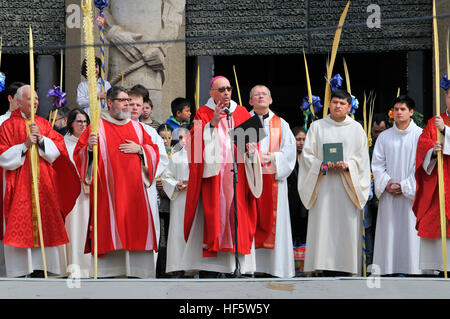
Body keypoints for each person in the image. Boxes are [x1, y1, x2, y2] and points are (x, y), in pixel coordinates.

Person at [73, 86, 160, 278]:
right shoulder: (96, 127)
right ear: (109, 103)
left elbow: (154, 151)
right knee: (109, 228)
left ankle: (139, 274)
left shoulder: (139, 128)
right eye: (122, 100)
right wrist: (88, 149)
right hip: (108, 194)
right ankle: (108, 274)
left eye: (128, 100)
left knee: (136, 229)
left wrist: (141, 150)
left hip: (135, 194)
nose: (127, 104)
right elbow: (78, 155)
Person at [181, 75, 262, 277]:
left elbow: (252, 145)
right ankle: (215, 269)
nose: (226, 93)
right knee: (215, 217)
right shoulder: (203, 113)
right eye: (221, 89)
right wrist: (213, 124)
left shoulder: (241, 111)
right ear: (211, 93)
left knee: (239, 217)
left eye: (228, 89)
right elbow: (194, 147)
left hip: (239, 176)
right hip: (215, 179)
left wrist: (252, 149)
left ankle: (239, 267)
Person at [0, 85, 79, 277]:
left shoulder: (44, 124)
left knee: (47, 223)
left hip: (44, 185)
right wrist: (25, 145)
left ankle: (44, 267)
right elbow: (2, 156)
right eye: (29, 99)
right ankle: (21, 269)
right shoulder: (7, 126)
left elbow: (59, 150)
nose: (35, 102)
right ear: (18, 102)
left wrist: (42, 140)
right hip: (18, 184)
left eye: (36, 98)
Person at [298, 89, 371, 276]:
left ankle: (346, 267)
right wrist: (321, 165)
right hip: (323, 185)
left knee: (345, 225)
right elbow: (307, 156)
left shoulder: (356, 129)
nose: (337, 106)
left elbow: (362, 159)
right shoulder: (317, 127)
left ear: (348, 106)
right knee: (323, 224)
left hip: (347, 186)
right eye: (334, 102)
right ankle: (322, 265)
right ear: (329, 104)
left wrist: (348, 166)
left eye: (342, 103)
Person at [248, 85, 296, 278]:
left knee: (276, 223)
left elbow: (290, 152)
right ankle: (250, 266)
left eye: (264, 94)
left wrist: (274, 157)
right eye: (256, 95)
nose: (261, 97)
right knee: (251, 221)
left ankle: (276, 268)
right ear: (250, 101)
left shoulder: (281, 124)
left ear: (271, 100)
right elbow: (234, 150)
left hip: (275, 180)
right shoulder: (245, 122)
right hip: (251, 183)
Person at [371, 95, 423, 276]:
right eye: (396, 109)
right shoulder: (384, 137)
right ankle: (389, 268)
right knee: (390, 231)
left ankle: (413, 269)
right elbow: (377, 165)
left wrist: (406, 186)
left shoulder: (420, 136)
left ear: (411, 112)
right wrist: (386, 183)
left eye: (403, 109)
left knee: (410, 232)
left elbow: (423, 166)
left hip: (411, 196)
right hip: (389, 195)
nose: (399, 113)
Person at [128, 85, 169, 277]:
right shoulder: (114, 128)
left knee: (146, 229)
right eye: (131, 103)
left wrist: (142, 150)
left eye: (138, 104)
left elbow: (162, 158)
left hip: (145, 188)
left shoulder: (150, 132)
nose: (135, 108)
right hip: (123, 189)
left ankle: (144, 272)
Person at [413, 82, 450, 274]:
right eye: (449, 96)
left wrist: (445, 131)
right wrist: (433, 152)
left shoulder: (441, 125)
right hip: (438, 181)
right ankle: (435, 266)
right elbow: (423, 145)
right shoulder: (433, 122)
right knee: (434, 218)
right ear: (445, 97)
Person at [63, 108, 91, 278]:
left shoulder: (92, 142)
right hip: (72, 192)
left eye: (85, 122)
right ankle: (72, 266)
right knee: (73, 228)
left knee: (88, 227)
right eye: (79, 121)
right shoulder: (64, 143)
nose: (83, 125)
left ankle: (88, 266)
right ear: (70, 123)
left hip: (89, 192)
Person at [161, 126, 190, 277]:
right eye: (178, 138)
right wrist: (176, 185)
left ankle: (195, 266)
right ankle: (178, 266)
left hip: (195, 199)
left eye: (184, 137)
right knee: (178, 231)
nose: (182, 141)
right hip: (179, 199)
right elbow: (166, 177)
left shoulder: (201, 156)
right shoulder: (175, 157)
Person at [365, 113, 388, 268]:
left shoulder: (390, 147)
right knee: (369, 231)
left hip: (388, 195)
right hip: (370, 197)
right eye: (375, 132)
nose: (378, 135)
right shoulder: (367, 150)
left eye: (382, 131)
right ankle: (370, 264)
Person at [287, 126, 309, 247]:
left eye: (304, 139)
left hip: (305, 201)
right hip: (291, 200)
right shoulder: (288, 157)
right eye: (298, 139)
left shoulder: (310, 158)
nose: (301, 143)